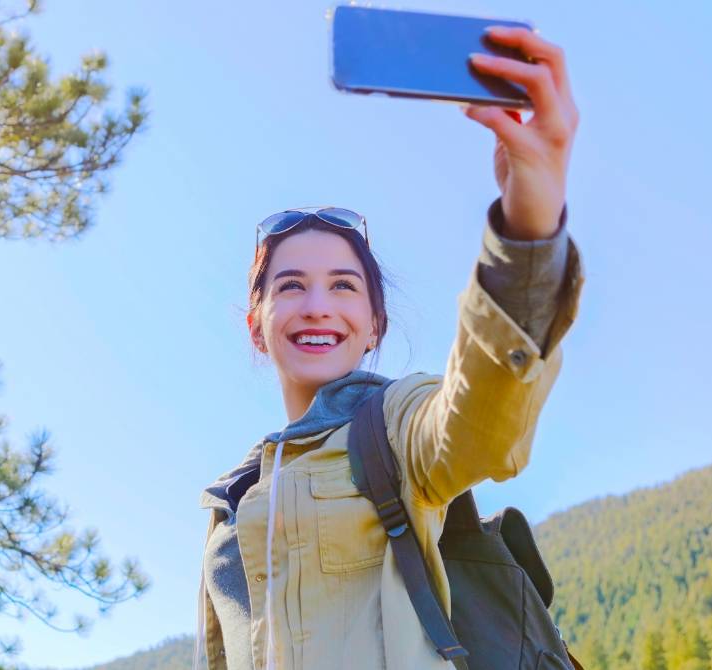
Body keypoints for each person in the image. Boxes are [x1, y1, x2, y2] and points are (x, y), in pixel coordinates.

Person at [195, 25, 584, 670]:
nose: (318, 304)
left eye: (344, 287)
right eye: (291, 286)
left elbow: (481, 422)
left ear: (373, 325)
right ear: (256, 323)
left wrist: (530, 221)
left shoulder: (399, 428)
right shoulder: (228, 507)